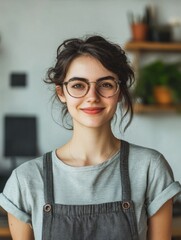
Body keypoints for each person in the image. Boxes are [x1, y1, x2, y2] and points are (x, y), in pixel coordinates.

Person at [0, 35, 181, 240]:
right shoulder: (25, 180)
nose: (92, 96)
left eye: (105, 84)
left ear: (119, 91)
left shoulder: (150, 168)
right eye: (78, 85)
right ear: (61, 92)